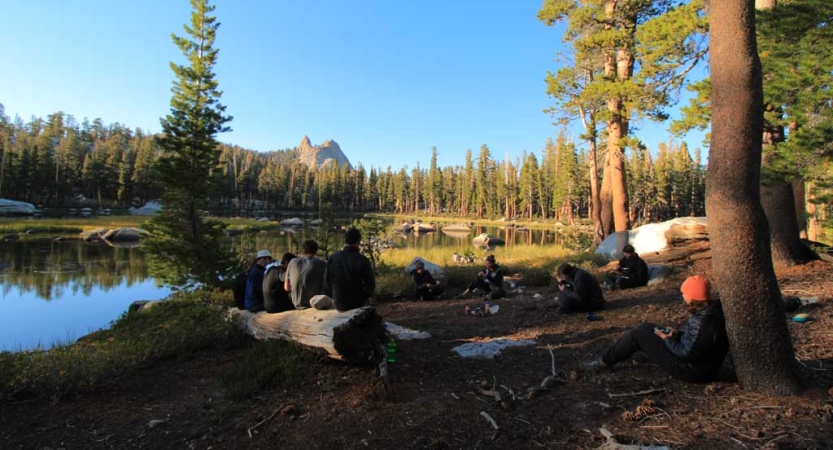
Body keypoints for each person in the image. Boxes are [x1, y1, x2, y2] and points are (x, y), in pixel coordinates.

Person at [595, 275, 729, 382]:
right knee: (646, 327)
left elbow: (687, 354)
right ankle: (614, 354)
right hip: (701, 367)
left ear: (693, 297)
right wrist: (677, 335)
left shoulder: (701, 320)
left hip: (691, 371)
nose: (682, 296)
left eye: (684, 293)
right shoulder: (710, 312)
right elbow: (698, 342)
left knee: (637, 335)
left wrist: (668, 340)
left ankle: (605, 361)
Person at [324, 228, 375, 312]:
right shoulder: (363, 260)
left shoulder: (333, 257)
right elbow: (370, 286)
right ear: (359, 241)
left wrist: (333, 295)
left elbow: (326, 282)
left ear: (346, 241)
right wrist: (364, 297)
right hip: (357, 303)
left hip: (338, 302)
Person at [285, 239, 327, 309]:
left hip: (295, 303)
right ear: (316, 251)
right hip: (313, 303)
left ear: (303, 250)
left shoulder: (292, 262)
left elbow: (286, 288)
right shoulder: (321, 263)